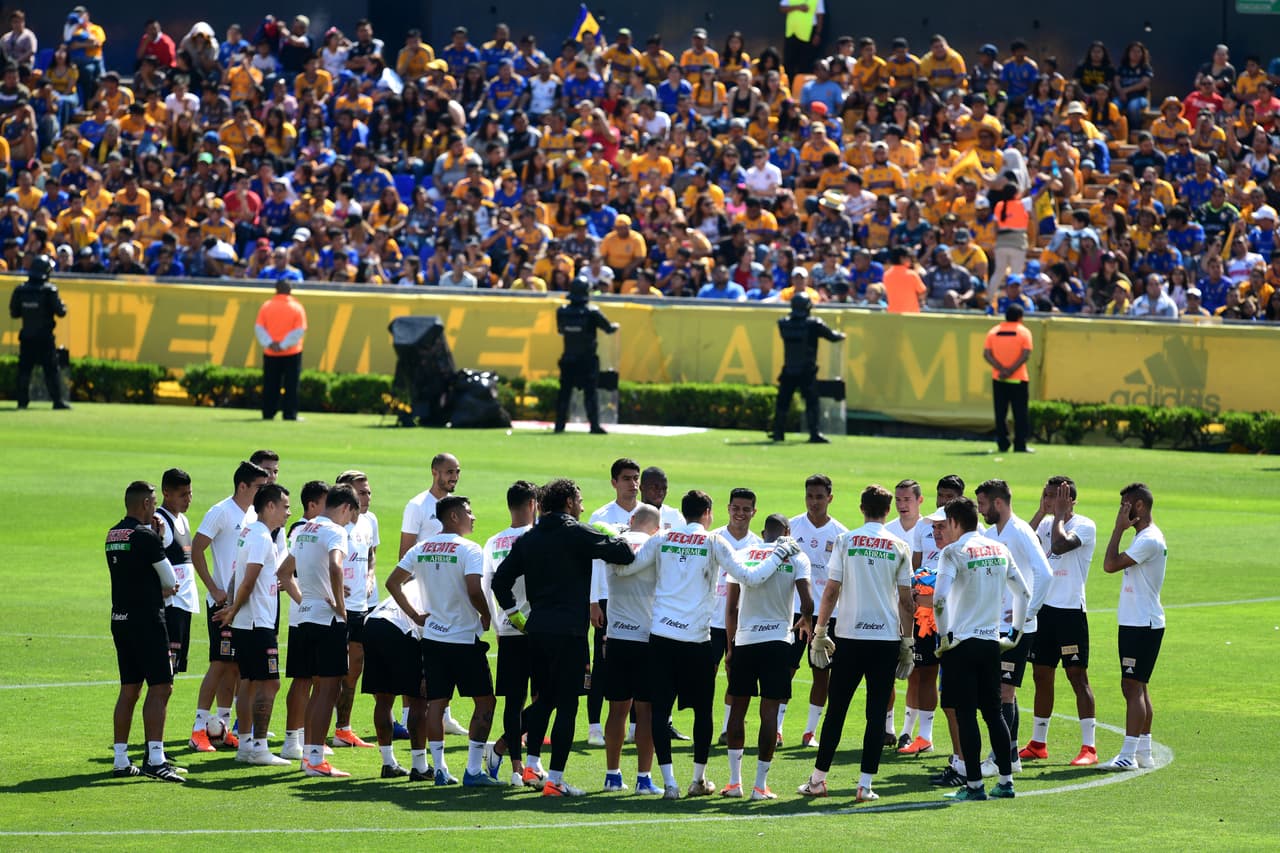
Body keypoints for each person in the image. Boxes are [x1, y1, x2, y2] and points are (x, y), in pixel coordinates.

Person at [615, 489, 799, 798]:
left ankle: (670, 784)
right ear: (708, 513)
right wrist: (779, 554)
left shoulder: (661, 539)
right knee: (703, 712)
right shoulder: (713, 541)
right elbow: (750, 578)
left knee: (660, 710)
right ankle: (698, 780)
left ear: (684, 513)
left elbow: (625, 567)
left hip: (661, 637)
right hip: (696, 640)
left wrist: (621, 538)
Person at [491, 478, 637, 797]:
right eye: (580, 500)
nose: (583, 506)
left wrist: (516, 616)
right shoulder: (578, 532)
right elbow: (625, 554)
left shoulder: (530, 538)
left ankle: (518, 756)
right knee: (567, 704)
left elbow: (500, 581)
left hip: (537, 631)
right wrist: (612, 531)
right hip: (569, 633)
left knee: (547, 698)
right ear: (569, 502)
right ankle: (555, 780)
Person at [798, 485, 912, 803]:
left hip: (849, 638)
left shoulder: (846, 540)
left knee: (836, 711)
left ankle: (819, 780)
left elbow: (831, 590)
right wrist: (908, 642)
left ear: (862, 507)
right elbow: (906, 602)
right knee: (876, 714)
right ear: (887, 511)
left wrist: (820, 632)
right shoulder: (899, 545)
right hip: (886, 640)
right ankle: (864, 785)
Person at [385, 495, 504, 787]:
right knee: (485, 702)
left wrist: (416, 614)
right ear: (453, 517)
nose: (473, 517)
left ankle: (439, 769)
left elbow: (391, 582)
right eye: (469, 512)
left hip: (434, 637)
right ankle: (474, 770)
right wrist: (486, 615)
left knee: (436, 703)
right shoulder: (470, 549)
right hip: (463, 638)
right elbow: (475, 589)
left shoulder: (421, 548)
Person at [933, 497, 1031, 801]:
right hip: (992, 642)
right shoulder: (1000, 549)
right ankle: (1006, 781)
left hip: (961, 644)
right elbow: (1023, 593)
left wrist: (944, 637)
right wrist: (1014, 633)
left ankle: (974, 786)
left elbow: (938, 600)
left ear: (953, 522)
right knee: (994, 714)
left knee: (965, 715)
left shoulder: (953, 553)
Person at [723, 513, 811, 799]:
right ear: (786, 531)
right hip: (777, 641)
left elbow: (732, 608)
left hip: (746, 640)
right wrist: (807, 619)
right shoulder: (797, 556)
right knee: (769, 713)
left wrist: (731, 645)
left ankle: (734, 783)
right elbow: (808, 602)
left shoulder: (744, 554)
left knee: (737, 710)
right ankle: (759, 786)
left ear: (764, 532)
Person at [275, 483, 357, 777]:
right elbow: (336, 567)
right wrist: (340, 605)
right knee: (327, 690)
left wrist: (305, 599)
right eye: (350, 516)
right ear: (345, 507)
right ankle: (314, 759)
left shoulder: (306, 529)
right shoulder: (336, 532)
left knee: (313, 688)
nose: (349, 522)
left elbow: (284, 573)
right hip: (327, 621)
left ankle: (308, 756)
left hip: (306, 616)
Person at [187, 460, 269, 753]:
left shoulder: (252, 515)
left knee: (234, 667)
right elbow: (196, 548)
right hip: (222, 603)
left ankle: (221, 727)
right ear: (243, 486)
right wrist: (213, 588)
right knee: (219, 664)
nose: (266, 489)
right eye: (261, 486)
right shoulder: (221, 511)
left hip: (241, 603)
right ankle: (197, 730)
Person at [974, 479, 1052, 777]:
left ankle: (997, 758)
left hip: (1016, 628)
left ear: (997, 503)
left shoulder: (1020, 532)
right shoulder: (993, 534)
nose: (980, 511)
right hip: (997, 624)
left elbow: (1044, 573)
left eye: (982, 504)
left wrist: (1026, 613)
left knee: (1003, 691)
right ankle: (1012, 755)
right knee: (1003, 691)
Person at [106, 480, 183, 782]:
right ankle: (155, 758)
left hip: (120, 618)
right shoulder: (144, 536)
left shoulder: (113, 534)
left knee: (129, 689)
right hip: (148, 620)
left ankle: (121, 759)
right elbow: (168, 579)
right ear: (145, 505)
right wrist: (158, 540)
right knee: (162, 686)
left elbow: (132, 573)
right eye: (152, 502)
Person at [1022, 475, 1100, 766]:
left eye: (1057, 495)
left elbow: (1060, 544)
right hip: (1044, 611)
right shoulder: (1044, 522)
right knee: (1041, 675)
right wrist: (1042, 512)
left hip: (1070, 612)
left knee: (1077, 677)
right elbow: (1019, 543)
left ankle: (1088, 748)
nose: (1051, 499)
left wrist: (1058, 517)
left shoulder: (1085, 525)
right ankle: (1038, 743)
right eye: (1047, 495)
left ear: (1071, 500)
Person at [216, 482, 292, 766]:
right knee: (270, 683)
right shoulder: (261, 537)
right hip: (258, 621)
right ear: (269, 506)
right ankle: (259, 747)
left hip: (246, 622)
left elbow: (238, 575)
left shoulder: (249, 533)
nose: (288, 512)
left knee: (247, 683)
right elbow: (248, 579)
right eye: (285, 506)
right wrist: (233, 609)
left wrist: (231, 609)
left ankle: (246, 745)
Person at [1101, 482, 1166, 771]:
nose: (1121, 512)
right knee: (1138, 686)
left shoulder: (1148, 540)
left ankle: (1128, 755)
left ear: (1139, 506)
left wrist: (1118, 529)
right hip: (1137, 621)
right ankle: (1144, 752)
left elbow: (1110, 564)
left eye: (1125, 506)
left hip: (1141, 623)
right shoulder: (1145, 538)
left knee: (1131, 686)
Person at [478, 480, 538, 786]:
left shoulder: (493, 541)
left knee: (513, 700)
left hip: (508, 628)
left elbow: (487, 586)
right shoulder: (536, 537)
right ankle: (531, 762)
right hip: (537, 628)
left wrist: (498, 623)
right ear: (532, 504)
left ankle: (514, 764)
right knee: (544, 696)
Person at [600, 502, 662, 794]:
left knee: (616, 710)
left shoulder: (614, 545)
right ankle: (644, 779)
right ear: (657, 527)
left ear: (633, 519)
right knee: (645, 712)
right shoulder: (656, 547)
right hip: (647, 638)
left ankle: (612, 775)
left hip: (616, 637)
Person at [586, 458, 644, 747]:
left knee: (639, 660)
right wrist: (593, 601)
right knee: (603, 661)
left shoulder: (649, 515)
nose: (633, 484)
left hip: (641, 600)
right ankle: (595, 725)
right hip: (608, 597)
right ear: (614, 482)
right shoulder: (601, 516)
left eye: (636, 478)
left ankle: (635, 725)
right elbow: (593, 562)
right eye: (626, 478)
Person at [788, 473, 848, 748]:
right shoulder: (791, 527)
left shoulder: (841, 534)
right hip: (792, 611)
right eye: (810, 496)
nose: (814, 502)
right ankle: (776, 729)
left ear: (830, 498)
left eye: (820, 497)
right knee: (784, 669)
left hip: (826, 615)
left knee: (821, 671)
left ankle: (810, 731)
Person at [329, 470, 380, 749]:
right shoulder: (334, 526)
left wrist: (371, 576)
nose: (367, 497)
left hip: (361, 606)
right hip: (335, 608)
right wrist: (331, 588)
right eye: (361, 492)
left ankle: (343, 729)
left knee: (354, 669)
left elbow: (371, 554)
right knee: (327, 673)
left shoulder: (370, 522)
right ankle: (310, 732)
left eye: (368, 491)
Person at [712, 488, 763, 745]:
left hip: (743, 623)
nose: (740, 513)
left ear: (754, 512)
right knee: (703, 677)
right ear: (728, 508)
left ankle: (726, 728)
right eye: (736, 508)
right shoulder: (713, 538)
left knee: (735, 678)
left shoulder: (757, 546)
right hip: (710, 621)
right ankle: (704, 724)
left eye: (746, 509)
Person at [771, 292, 845, 443]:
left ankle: (778, 432)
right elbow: (833, 336)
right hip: (806, 370)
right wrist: (843, 335)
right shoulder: (813, 324)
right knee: (811, 402)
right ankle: (814, 433)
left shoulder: (783, 324)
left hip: (789, 369)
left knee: (783, 401)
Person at [555, 277, 619, 434]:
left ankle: (559, 425)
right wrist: (616, 327)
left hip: (568, 358)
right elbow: (609, 328)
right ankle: (594, 425)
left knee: (564, 393)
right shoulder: (592, 312)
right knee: (590, 393)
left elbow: (561, 330)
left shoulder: (562, 312)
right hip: (587, 359)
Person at [9, 254, 69, 409]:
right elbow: (61, 312)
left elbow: (14, 313)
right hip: (45, 337)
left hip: (27, 336)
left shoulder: (21, 290)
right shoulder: (49, 290)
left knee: (24, 370)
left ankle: (22, 402)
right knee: (51, 369)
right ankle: (57, 401)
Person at [156, 469, 198, 682]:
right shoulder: (158, 522)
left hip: (184, 605)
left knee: (173, 674)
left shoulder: (184, 520)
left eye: (190, 493)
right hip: (170, 606)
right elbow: (149, 561)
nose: (188, 499)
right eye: (183, 495)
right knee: (164, 677)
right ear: (166, 492)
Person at [983, 303, 1034, 453]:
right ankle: (1020, 445)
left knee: (1000, 414)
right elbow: (1025, 354)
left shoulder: (994, 331)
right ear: (1020, 317)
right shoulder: (1023, 332)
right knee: (1020, 414)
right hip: (1018, 379)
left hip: (999, 379)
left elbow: (986, 354)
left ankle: (1003, 444)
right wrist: (1011, 370)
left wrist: (1001, 369)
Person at [254, 279, 307, 421]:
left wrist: (271, 344)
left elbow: (259, 328)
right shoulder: (296, 307)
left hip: (271, 352)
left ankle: (268, 413)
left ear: (276, 290)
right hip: (292, 352)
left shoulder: (266, 306)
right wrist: (283, 345)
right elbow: (299, 330)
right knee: (291, 385)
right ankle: (290, 414)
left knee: (270, 384)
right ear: (290, 291)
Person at [883, 246, 926, 313]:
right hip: (911, 315)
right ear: (902, 258)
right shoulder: (912, 274)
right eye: (908, 257)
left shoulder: (886, 275)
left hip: (892, 314)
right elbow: (922, 292)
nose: (910, 260)